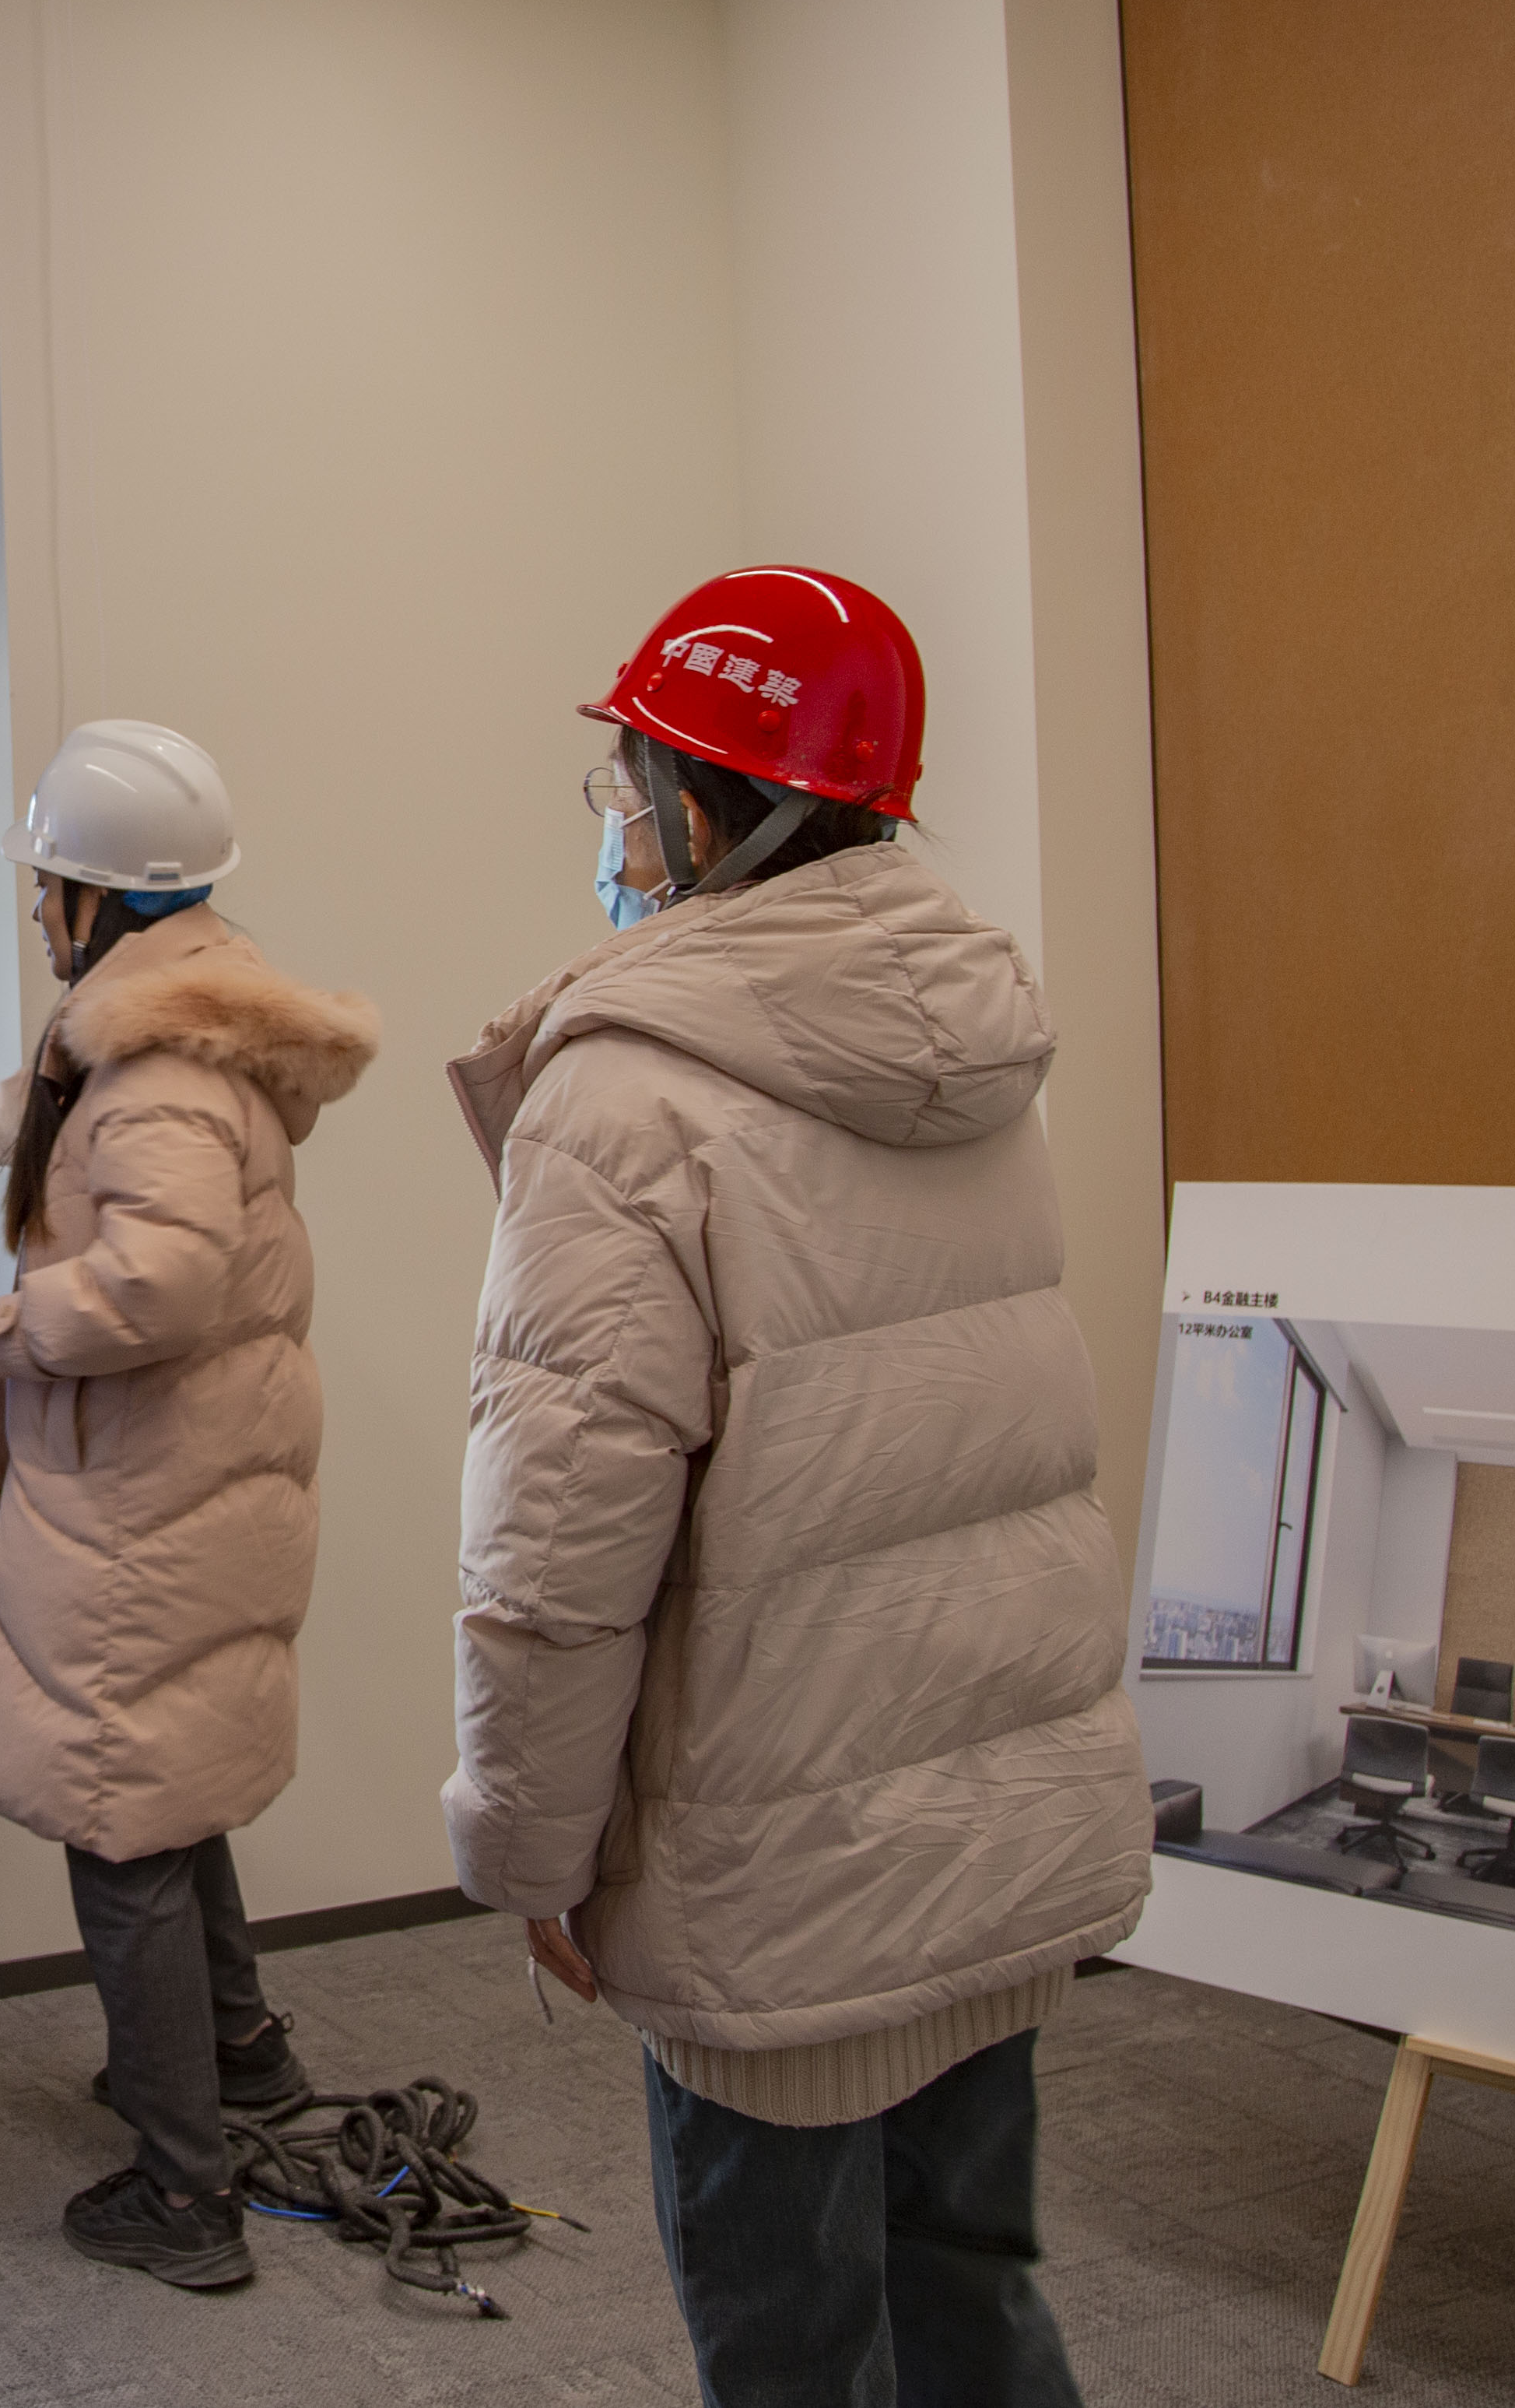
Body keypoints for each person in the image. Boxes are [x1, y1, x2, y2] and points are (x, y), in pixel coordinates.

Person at [440, 567, 1149, 2407]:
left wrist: (527, 1849)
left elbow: (556, 1550)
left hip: (772, 1872)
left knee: (792, 2348)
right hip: (986, 1824)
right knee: (972, 2291)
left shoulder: (623, 1099)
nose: (614, 823)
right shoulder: (970, 1045)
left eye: (628, 780)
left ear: (703, 816)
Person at [0, 718, 377, 2290]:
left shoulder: (157, 1069)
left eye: (48, 883)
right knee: (165, 1785)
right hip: (189, 1481)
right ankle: (239, 2054)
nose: (37, 907)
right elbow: (68, 1106)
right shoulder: (175, 1018)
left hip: (142, 1500)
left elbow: (157, 1280)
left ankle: (185, 2193)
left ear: (96, 898)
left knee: (116, 1819)